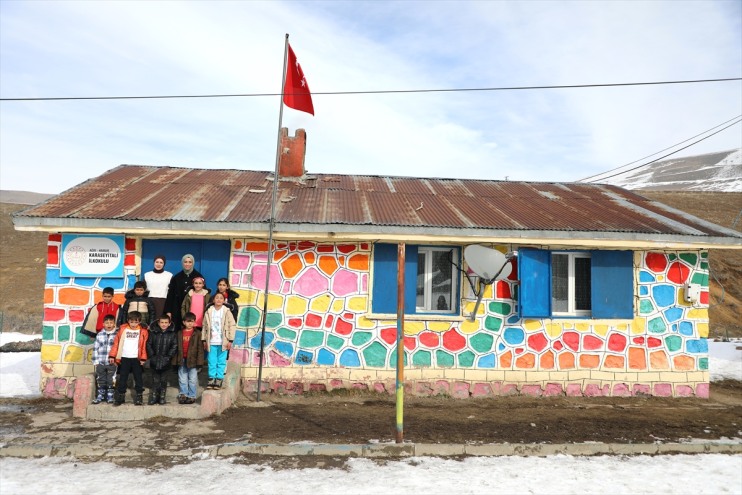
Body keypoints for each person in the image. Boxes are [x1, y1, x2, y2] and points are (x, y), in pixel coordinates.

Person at [109, 311, 149, 406]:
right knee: (123, 377)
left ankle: (139, 396)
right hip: (124, 357)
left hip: (136, 358)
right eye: (132, 322)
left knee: (138, 377)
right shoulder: (123, 329)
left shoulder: (143, 331)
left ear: (139, 321)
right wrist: (112, 355)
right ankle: (121, 396)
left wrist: (143, 358)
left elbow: (144, 346)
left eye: (136, 322)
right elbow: (116, 343)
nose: (134, 324)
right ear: (128, 321)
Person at [202, 292, 236, 390]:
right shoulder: (209, 311)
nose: (219, 300)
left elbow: (232, 326)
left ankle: (219, 379)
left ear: (224, 300)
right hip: (211, 341)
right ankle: (211, 378)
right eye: (217, 298)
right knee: (212, 361)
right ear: (213, 300)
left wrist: (230, 340)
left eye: (221, 298)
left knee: (221, 361)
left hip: (223, 341)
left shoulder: (226, 311)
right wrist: (204, 340)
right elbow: (205, 326)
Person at [145, 314, 177, 405]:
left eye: (166, 322)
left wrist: (168, 357)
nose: (164, 324)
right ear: (158, 323)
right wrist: (152, 356)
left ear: (169, 323)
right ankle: (154, 397)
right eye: (162, 322)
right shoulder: (153, 333)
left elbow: (174, 346)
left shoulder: (172, 334)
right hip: (155, 360)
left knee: (163, 380)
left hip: (166, 361)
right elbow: (148, 344)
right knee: (155, 380)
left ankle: (162, 397)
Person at [165, 254, 203, 329]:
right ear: (182, 263)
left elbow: (203, 294)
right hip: (177, 308)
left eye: (190, 262)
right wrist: (168, 311)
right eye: (185, 262)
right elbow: (170, 294)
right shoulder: (177, 277)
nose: (187, 264)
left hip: (192, 309)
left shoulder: (198, 276)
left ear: (193, 263)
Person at [174, 312, 204, 405]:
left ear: (194, 322)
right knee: (182, 378)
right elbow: (176, 347)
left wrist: (200, 362)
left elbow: (200, 348)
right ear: (184, 322)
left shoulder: (197, 333)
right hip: (182, 358)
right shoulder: (179, 333)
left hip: (193, 360)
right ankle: (183, 394)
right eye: (188, 321)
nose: (190, 323)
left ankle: (192, 396)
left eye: (192, 321)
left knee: (192, 379)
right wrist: (175, 361)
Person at [92, 314, 118, 404]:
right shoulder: (100, 335)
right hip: (101, 362)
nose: (109, 325)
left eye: (111, 323)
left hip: (112, 363)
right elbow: (95, 348)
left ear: (114, 324)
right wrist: (96, 361)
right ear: (103, 324)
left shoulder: (117, 334)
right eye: (107, 323)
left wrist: (117, 360)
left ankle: (110, 395)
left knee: (111, 379)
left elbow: (118, 348)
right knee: (101, 378)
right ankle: (101, 395)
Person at [144, 255, 173, 319]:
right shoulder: (147, 275)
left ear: (164, 264)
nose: (158, 264)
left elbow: (171, 293)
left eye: (161, 262)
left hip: (163, 303)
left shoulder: (169, 275)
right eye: (157, 262)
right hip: (149, 301)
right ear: (154, 263)